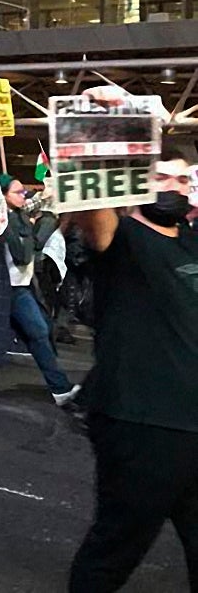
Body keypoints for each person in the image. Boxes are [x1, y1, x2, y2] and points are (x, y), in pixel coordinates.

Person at [67, 152, 198, 591]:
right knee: (116, 547)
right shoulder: (122, 238)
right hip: (143, 424)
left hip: (192, 424)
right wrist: (103, 132)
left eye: (182, 179)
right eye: (161, 176)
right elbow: (94, 211)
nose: (172, 186)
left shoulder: (192, 240)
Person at [0, 175, 78, 404]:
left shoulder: (22, 217)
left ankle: (60, 388)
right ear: (3, 195)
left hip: (20, 287)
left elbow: (33, 243)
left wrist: (49, 204)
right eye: (18, 192)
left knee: (38, 333)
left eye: (24, 192)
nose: (24, 196)